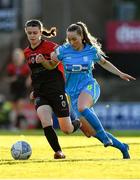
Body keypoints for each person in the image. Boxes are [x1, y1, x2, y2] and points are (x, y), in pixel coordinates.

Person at [50, 21, 136, 159]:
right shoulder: (63, 51)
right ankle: (122, 147)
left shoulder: (91, 50)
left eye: (74, 39)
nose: (71, 42)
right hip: (73, 94)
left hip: (89, 87)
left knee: (83, 107)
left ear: (82, 36)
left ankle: (104, 135)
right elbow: (51, 64)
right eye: (69, 39)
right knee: (91, 133)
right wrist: (50, 59)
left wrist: (119, 73)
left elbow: (104, 63)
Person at [23, 19, 81, 159]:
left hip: (56, 90)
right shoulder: (26, 52)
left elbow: (60, 59)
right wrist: (34, 90)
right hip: (41, 93)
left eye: (35, 33)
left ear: (40, 33)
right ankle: (58, 152)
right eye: (29, 33)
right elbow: (36, 73)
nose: (32, 36)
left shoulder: (52, 47)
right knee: (45, 121)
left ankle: (77, 123)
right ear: (26, 32)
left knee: (66, 129)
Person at [6, 48, 31, 129]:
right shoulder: (11, 67)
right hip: (14, 90)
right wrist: (13, 79)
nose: (17, 58)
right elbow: (7, 79)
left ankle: (20, 125)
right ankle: (18, 124)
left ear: (22, 57)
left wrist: (28, 80)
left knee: (19, 106)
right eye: (15, 56)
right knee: (15, 110)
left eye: (18, 55)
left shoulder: (25, 67)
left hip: (22, 90)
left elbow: (30, 75)